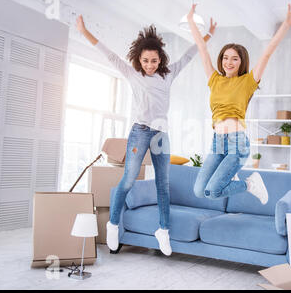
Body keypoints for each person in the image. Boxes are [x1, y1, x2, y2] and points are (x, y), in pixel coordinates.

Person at [76, 15, 217, 256]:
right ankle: (113, 223)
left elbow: (191, 53)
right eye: (145, 61)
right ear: (138, 60)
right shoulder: (132, 74)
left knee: (163, 184)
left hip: (161, 135)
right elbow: (108, 53)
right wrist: (84, 31)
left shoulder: (168, 74)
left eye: (153, 60)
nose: (150, 65)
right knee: (129, 179)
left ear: (160, 59)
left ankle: (163, 230)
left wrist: (209, 35)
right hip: (140, 132)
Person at [188, 4, 291, 204]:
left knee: (214, 191)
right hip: (217, 143)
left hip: (236, 143)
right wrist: (191, 21)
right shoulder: (214, 79)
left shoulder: (247, 82)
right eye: (225, 58)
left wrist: (286, 24)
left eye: (234, 59)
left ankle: (250, 184)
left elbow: (267, 53)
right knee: (200, 191)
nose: (228, 62)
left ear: (241, 62)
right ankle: (235, 177)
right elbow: (202, 48)